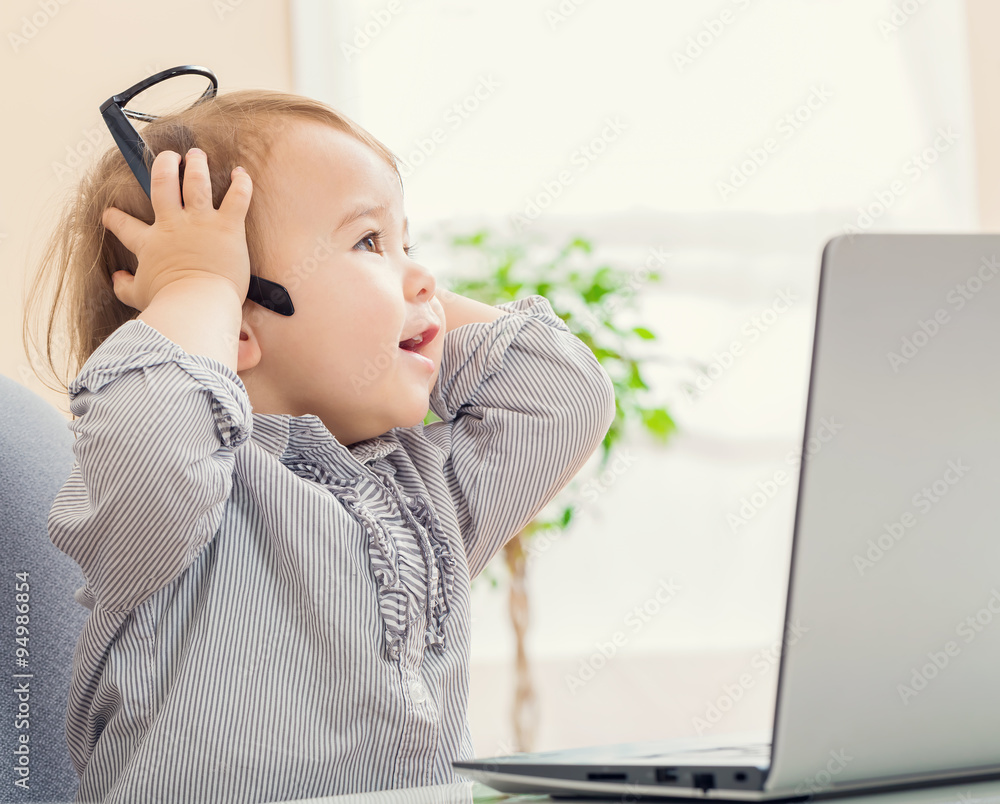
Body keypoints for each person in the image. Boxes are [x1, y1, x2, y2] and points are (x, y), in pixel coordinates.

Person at [27, 89, 616, 804]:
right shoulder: (184, 500)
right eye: (368, 241)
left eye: (408, 240)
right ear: (237, 324)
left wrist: (406, 302)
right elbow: (156, 444)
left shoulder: (423, 493)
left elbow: (562, 391)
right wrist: (197, 284)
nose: (425, 276)